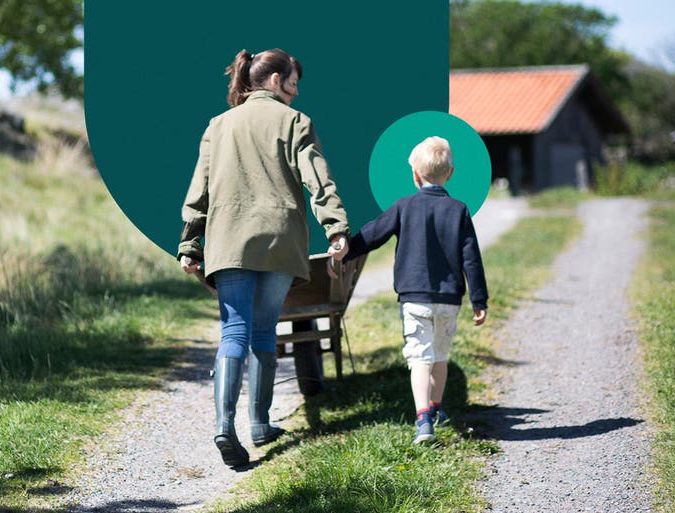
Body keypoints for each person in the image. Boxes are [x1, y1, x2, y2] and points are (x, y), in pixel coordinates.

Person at [178, 48, 350, 467]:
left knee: (232, 332)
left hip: (228, 242)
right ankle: (259, 422)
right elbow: (318, 180)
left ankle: (226, 426)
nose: (296, 90)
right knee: (263, 330)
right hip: (278, 242)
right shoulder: (295, 121)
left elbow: (198, 190)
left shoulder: (217, 126)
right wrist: (336, 228)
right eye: (293, 81)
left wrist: (189, 244)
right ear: (275, 80)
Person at [341, 136, 488, 443]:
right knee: (440, 356)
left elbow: (372, 234)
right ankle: (436, 408)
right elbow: (470, 257)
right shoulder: (459, 210)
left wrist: (345, 252)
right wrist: (479, 299)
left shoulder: (403, 206)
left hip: (414, 299)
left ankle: (423, 420)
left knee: (419, 358)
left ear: (415, 175)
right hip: (449, 300)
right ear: (450, 174)